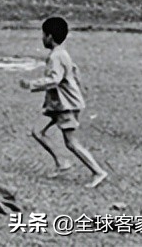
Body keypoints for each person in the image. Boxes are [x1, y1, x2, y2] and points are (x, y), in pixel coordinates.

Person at [19, 17, 108, 188]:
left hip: (66, 106)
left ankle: (98, 171)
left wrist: (32, 84)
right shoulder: (61, 53)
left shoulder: (56, 56)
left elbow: (55, 79)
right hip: (57, 104)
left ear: (50, 37)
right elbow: (74, 71)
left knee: (71, 142)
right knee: (37, 131)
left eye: (43, 35)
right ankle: (62, 162)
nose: (42, 38)